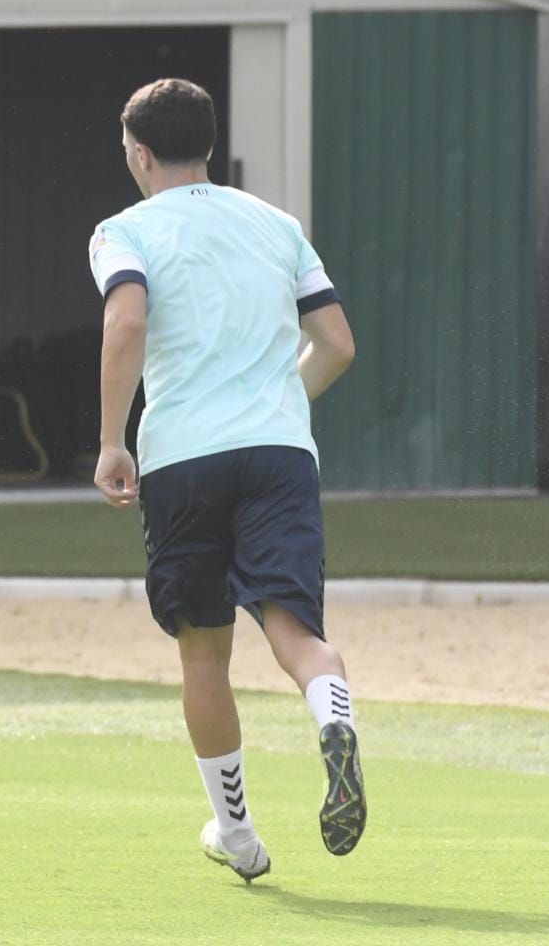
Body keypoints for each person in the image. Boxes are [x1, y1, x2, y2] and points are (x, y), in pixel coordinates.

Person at [89, 78, 363, 882]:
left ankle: (237, 835)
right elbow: (338, 342)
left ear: (138, 152)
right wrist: (279, 404)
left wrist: (110, 440)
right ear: (211, 144)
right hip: (279, 451)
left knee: (205, 655)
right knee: (297, 630)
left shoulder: (122, 229)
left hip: (182, 457)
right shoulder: (276, 224)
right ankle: (332, 714)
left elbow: (127, 321)